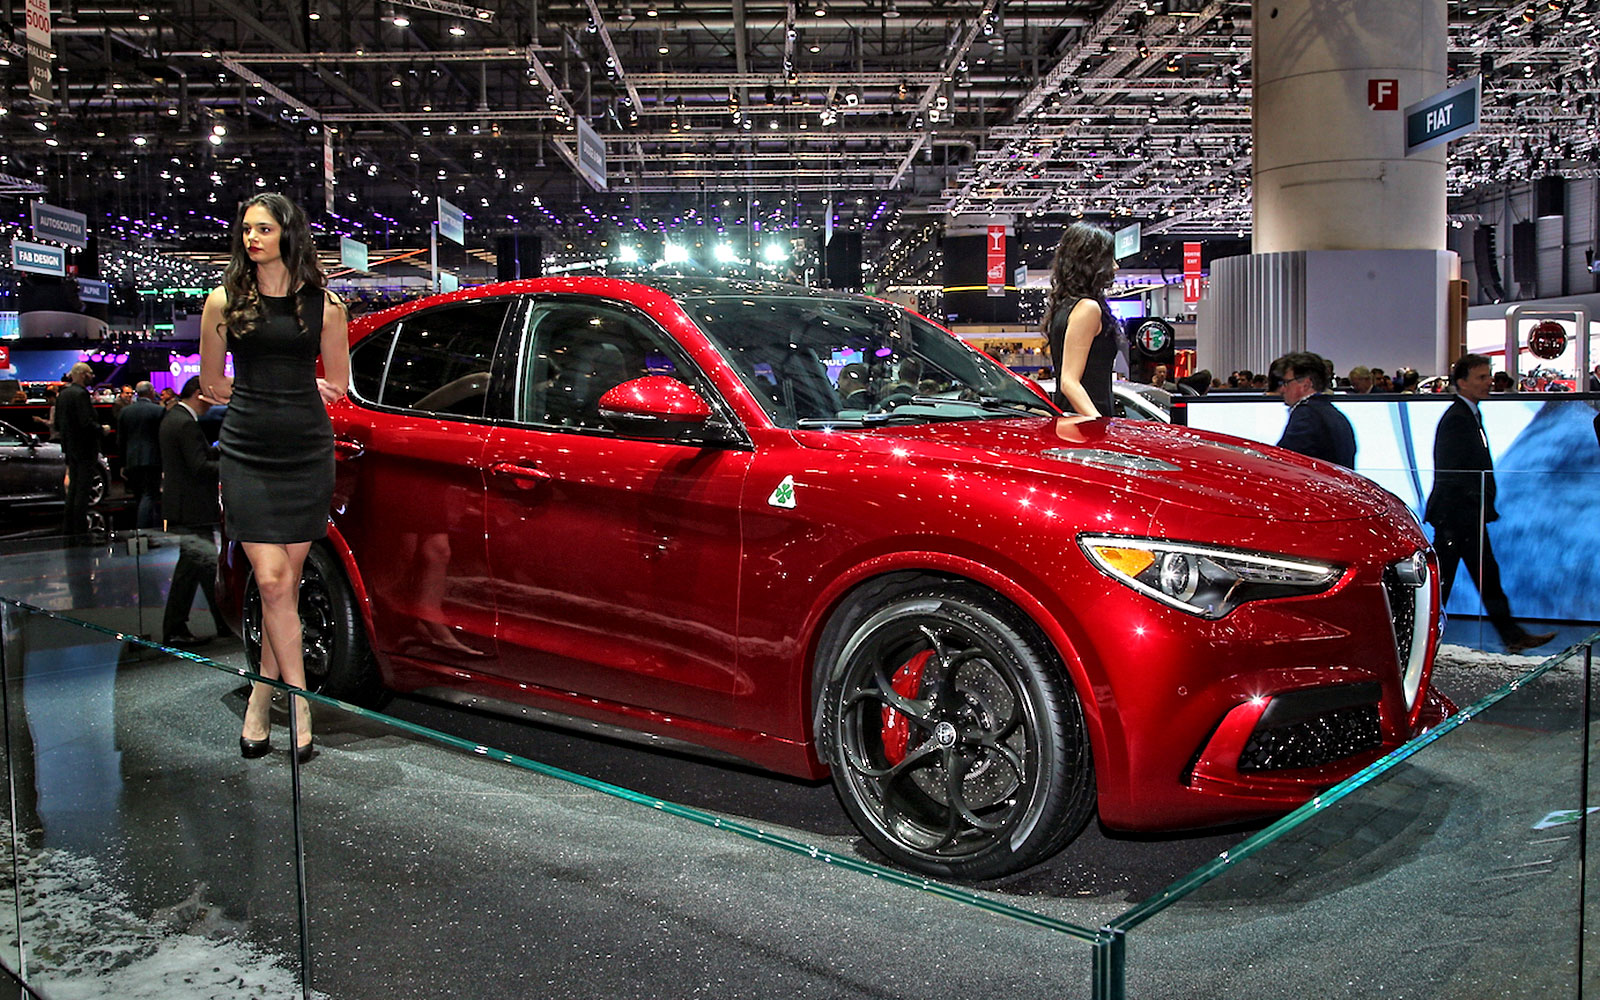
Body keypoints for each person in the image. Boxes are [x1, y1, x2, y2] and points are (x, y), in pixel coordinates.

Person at [200, 192, 349, 763]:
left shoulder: (325, 306)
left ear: (288, 233)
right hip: (247, 450)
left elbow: (338, 383)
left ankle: (262, 699)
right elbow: (211, 384)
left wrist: (304, 386)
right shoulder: (224, 300)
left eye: (263, 228)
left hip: (306, 452)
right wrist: (263, 389)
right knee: (270, 580)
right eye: (246, 229)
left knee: (282, 586)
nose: (251, 238)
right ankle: (301, 704)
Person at [1423, 353, 1555, 654]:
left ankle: (1512, 636)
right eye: (1481, 377)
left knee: (1483, 577)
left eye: (1488, 376)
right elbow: (1452, 471)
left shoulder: (1469, 415)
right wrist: (1471, 504)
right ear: (1462, 382)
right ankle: (1419, 637)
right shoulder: (1457, 419)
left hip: (1467, 515)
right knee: (1444, 581)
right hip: (1457, 517)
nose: (1489, 383)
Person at [159, 377, 233, 649]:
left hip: (184, 505)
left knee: (203, 567)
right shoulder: (185, 423)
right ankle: (175, 628)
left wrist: (218, 452)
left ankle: (222, 622)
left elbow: (195, 459)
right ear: (200, 394)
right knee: (191, 570)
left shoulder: (174, 418)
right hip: (192, 507)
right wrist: (232, 467)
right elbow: (199, 466)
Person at [1041, 222, 1119, 418]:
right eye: (1109, 259)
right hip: (1085, 424)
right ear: (1092, 262)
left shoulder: (1065, 307)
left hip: (1075, 421)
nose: (1115, 266)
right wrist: (1097, 423)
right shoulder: (1087, 308)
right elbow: (1069, 382)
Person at [1271, 351, 1356, 468]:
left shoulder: (1306, 415)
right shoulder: (1336, 415)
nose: (1282, 389)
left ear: (1305, 384)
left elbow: (1283, 463)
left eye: (1286, 383)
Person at [53, 362, 107, 537]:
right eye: (90, 373)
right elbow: (86, 423)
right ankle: (80, 529)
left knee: (73, 489)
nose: (93, 376)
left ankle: (69, 527)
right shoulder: (81, 394)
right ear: (83, 374)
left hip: (70, 447)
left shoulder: (63, 394)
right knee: (83, 489)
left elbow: (57, 424)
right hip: (84, 448)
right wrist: (102, 429)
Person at [117, 381, 165, 529]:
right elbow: (163, 437)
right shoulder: (158, 411)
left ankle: (146, 530)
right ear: (151, 391)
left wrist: (122, 464)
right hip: (152, 460)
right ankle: (143, 531)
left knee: (139, 496)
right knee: (149, 495)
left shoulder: (125, 412)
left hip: (131, 460)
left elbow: (120, 440)